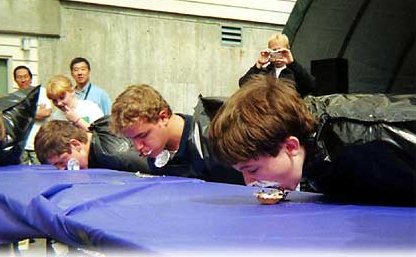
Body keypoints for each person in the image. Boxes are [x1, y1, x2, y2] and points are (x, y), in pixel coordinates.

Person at [209, 75, 416, 206]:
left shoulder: (367, 139)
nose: (248, 182)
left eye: (253, 170)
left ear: (290, 146)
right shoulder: (308, 143)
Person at [109, 84, 244, 185]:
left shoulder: (212, 142)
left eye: (142, 136)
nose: (137, 147)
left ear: (163, 117)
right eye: (132, 139)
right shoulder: (157, 148)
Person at [34, 118, 150, 173]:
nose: (62, 169)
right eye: (56, 166)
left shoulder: (114, 154)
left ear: (75, 144)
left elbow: (161, 168)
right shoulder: (96, 132)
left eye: (61, 162)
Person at [238, 33, 315, 96]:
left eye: (281, 51)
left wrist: (292, 63)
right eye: (274, 51)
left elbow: (311, 85)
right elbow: (243, 85)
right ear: (269, 51)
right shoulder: (264, 72)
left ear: (288, 50)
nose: (278, 54)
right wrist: (258, 64)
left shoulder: (295, 72)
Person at [13, 65, 52, 164]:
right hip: (21, 144)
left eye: (25, 76)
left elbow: (46, 112)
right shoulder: (14, 97)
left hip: (39, 143)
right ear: (15, 80)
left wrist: (22, 114)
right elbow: (13, 118)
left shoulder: (41, 92)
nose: (23, 80)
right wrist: (36, 113)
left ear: (30, 78)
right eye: (19, 77)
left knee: (41, 173)